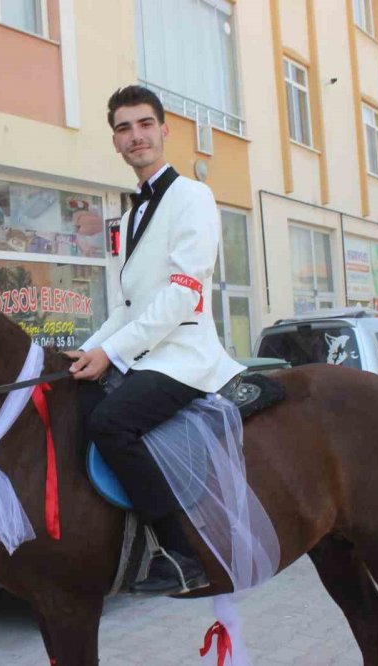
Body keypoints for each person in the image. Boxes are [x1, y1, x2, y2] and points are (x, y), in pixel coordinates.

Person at [66, 85, 245, 594]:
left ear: (164, 130)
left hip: (185, 356)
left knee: (111, 422)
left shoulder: (193, 196)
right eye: (124, 128)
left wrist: (111, 353)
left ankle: (181, 553)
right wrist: (89, 348)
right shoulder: (130, 216)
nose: (136, 136)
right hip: (145, 356)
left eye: (145, 124)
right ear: (115, 141)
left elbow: (183, 295)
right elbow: (128, 307)